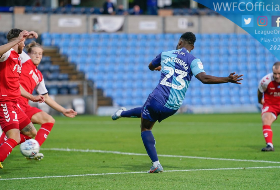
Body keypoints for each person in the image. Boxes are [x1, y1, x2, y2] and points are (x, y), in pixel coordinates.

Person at [113, 32, 243, 173]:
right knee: (147, 111)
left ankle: (156, 164)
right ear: (192, 47)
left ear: (180, 42)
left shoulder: (165, 54)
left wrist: (159, 66)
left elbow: (150, 66)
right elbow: (204, 78)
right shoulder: (194, 60)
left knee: (146, 128)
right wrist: (227, 79)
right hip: (173, 106)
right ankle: (121, 113)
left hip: (157, 99)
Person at [0, 41, 78, 160]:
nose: (37, 56)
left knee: (48, 121)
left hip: (24, 105)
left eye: (40, 54)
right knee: (15, 132)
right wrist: (24, 37)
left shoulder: (39, 75)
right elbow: (16, 46)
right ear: (28, 54)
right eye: (35, 53)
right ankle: (5, 146)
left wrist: (63, 110)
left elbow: (46, 97)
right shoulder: (24, 60)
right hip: (13, 101)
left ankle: (32, 150)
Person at [0, 29, 44, 169]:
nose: (24, 45)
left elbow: (16, 86)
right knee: (14, 137)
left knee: (31, 132)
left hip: (14, 103)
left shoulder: (18, 58)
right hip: (5, 102)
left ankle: (3, 148)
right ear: (17, 41)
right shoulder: (7, 54)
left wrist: (32, 97)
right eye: (23, 42)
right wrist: (18, 39)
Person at [258, 62, 280, 152]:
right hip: (271, 105)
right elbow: (259, 91)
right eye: (275, 73)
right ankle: (269, 145)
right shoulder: (266, 80)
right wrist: (260, 101)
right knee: (265, 119)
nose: (277, 76)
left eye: (279, 73)